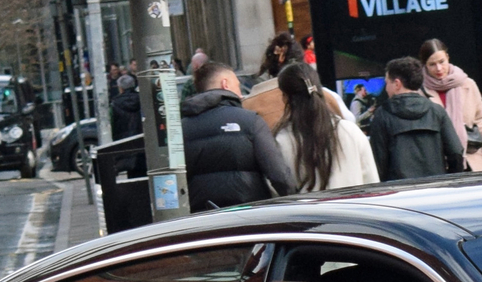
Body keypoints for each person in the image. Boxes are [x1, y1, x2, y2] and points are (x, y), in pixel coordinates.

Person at [179, 59, 296, 211]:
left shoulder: (182, 128)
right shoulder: (250, 121)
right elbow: (279, 175)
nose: (241, 94)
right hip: (248, 215)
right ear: (225, 84)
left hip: (202, 219)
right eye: (238, 86)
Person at [270, 62, 375, 191]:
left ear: (285, 98)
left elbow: (276, 191)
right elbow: (372, 182)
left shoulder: (281, 140)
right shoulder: (351, 131)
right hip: (354, 209)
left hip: (307, 211)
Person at [365, 55, 467, 181]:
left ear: (397, 84)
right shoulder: (437, 111)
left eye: (387, 83)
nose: (386, 88)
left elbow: (377, 161)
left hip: (399, 193)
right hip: (437, 189)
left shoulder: (382, 115)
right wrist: (449, 182)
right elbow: (456, 152)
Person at [415, 39, 482, 170]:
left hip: (470, 160)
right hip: (438, 164)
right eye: (432, 64)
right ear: (425, 65)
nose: (439, 68)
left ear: (447, 57)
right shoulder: (419, 91)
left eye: (441, 62)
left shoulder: (467, 84)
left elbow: (478, 122)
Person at [108, 73, 142, 140]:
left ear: (121, 88)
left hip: (122, 140)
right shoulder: (141, 99)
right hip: (141, 137)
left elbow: (111, 124)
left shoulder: (115, 103)